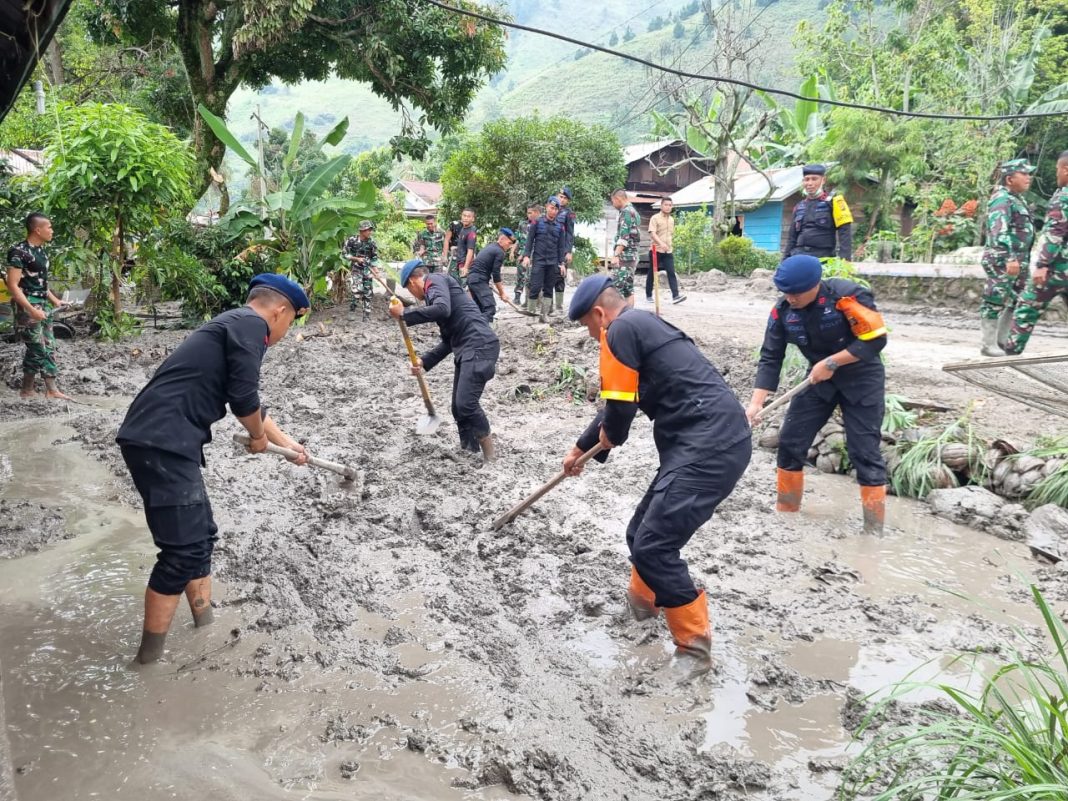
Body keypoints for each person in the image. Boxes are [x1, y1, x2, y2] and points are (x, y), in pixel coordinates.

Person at [116, 273, 311, 664]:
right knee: (181, 552)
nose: (289, 331)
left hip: (167, 441)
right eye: (293, 321)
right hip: (161, 442)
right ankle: (146, 662)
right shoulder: (251, 327)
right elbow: (244, 401)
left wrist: (288, 445)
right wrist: (257, 437)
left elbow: (249, 401)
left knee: (201, 538)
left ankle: (204, 626)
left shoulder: (234, 325)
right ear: (280, 311)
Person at [562, 274, 751, 674]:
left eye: (589, 328)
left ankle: (694, 651)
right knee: (639, 534)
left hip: (708, 448)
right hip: (709, 443)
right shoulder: (645, 325)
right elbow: (621, 401)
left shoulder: (619, 331)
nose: (594, 337)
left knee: (654, 547)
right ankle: (641, 610)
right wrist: (581, 449)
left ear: (599, 314)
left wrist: (611, 436)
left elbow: (617, 419)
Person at [745, 255, 888, 534]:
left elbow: (876, 340)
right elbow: (771, 357)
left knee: (864, 452)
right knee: (790, 441)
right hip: (818, 380)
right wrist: (755, 403)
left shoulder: (847, 296)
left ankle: (874, 531)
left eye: (796, 293)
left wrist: (834, 362)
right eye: (785, 293)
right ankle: (787, 514)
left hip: (861, 377)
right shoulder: (783, 311)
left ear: (815, 285)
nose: (791, 298)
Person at [392, 258, 500, 461]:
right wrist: (424, 362)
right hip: (467, 348)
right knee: (458, 407)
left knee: (466, 403)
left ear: (413, 282)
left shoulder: (434, 281)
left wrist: (405, 314)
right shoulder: (437, 294)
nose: (415, 297)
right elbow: (449, 342)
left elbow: (442, 309)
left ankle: (490, 456)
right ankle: (468, 451)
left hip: (479, 345)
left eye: (410, 291)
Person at [1004, 151, 1068, 355]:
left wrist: (1042, 265)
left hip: (1058, 269)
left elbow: (1055, 233)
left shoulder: (1064, 196)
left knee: (1027, 306)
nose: (1056, 174)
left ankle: (1010, 354)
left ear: (1065, 169)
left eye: (1057, 170)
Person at [5, 213, 71, 400]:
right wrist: (32, 310)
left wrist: (55, 301)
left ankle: (51, 389)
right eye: (49, 227)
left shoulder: (41, 252)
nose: (52, 230)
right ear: (37, 229)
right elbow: (12, 285)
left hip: (42, 305)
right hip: (27, 306)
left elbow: (41, 282)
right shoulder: (18, 252)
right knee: (36, 348)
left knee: (49, 346)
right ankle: (27, 390)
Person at [979, 158, 1035, 356]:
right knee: (994, 299)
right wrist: (1010, 258)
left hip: (1019, 261)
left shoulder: (1017, 199)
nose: (1029, 177)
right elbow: (998, 230)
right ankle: (988, 344)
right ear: (1010, 179)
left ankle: (1002, 340)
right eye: (1025, 174)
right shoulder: (1002, 199)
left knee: (1017, 299)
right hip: (1003, 259)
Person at [783, 164, 853, 261]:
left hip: (824, 258)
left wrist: (845, 261)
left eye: (814, 179)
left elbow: (845, 233)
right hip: (798, 256)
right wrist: (784, 261)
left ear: (823, 180)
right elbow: (792, 238)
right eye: (806, 179)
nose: (809, 183)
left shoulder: (835, 202)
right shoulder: (799, 206)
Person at [521, 197, 567, 322]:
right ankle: (530, 313)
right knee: (535, 286)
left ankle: (544, 315)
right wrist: (526, 256)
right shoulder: (537, 223)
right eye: (551, 208)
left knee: (549, 288)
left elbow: (561, 247)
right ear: (546, 207)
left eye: (556, 209)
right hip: (539, 260)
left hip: (553, 262)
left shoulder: (560, 227)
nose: (553, 211)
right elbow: (530, 240)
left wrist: (561, 263)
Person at [467, 228, 515, 324]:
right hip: (478, 280)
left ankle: (475, 333)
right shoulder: (499, 251)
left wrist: (487, 283)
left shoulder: (491, 247)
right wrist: (502, 293)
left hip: (473, 279)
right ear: (502, 239)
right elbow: (496, 274)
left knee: (480, 309)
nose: (509, 246)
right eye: (509, 243)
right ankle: (484, 334)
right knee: (489, 309)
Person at [646, 198, 686, 305]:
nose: (668, 207)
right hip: (656, 249)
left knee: (671, 272)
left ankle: (675, 296)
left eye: (670, 205)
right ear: (661, 206)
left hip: (668, 251)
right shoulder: (655, 218)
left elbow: (670, 234)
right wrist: (661, 243)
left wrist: (668, 244)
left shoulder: (672, 220)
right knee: (652, 273)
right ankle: (648, 295)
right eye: (666, 205)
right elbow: (652, 233)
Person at [343, 220, 379, 320]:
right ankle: (352, 310)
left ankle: (366, 316)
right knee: (357, 290)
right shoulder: (352, 240)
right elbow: (344, 254)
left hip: (368, 269)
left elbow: (374, 257)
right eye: (367, 230)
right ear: (361, 231)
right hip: (356, 269)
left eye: (370, 230)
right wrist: (356, 259)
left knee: (367, 292)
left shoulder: (372, 242)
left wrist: (376, 270)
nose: (369, 232)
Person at [610, 189, 640, 307]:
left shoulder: (626, 212)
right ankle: (629, 316)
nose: (613, 205)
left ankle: (613, 319)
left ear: (618, 199)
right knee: (628, 289)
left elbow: (624, 237)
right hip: (632, 256)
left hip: (625, 256)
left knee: (614, 288)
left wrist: (616, 255)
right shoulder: (634, 211)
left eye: (613, 201)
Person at [511, 205, 540, 305]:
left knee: (530, 278)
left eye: (532, 213)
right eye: (528, 213)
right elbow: (518, 239)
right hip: (521, 255)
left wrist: (524, 254)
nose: (530, 215)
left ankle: (529, 300)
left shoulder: (539, 224)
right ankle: (517, 297)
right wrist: (512, 251)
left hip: (533, 255)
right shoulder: (522, 224)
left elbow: (535, 243)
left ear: (537, 213)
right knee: (520, 276)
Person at [555, 186, 577, 311]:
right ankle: (546, 305)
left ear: (567, 200)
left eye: (564, 198)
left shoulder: (569, 213)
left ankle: (558, 305)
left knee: (560, 275)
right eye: (560, 196)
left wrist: (568, 251)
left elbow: (570, 233)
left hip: (562, 248)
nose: (561, 199)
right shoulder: (551, 209)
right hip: (549, 248)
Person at [453, 208, 478, 289]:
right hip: (460, 262)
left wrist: (466, 267)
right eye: (464, 216)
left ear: (473, 219)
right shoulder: (464, 229)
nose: (466, 218)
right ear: (461, 216)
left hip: (465, 264)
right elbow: (464, 245)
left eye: (468, 216)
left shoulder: (471, 232)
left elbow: (470, 250)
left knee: (465, 289)